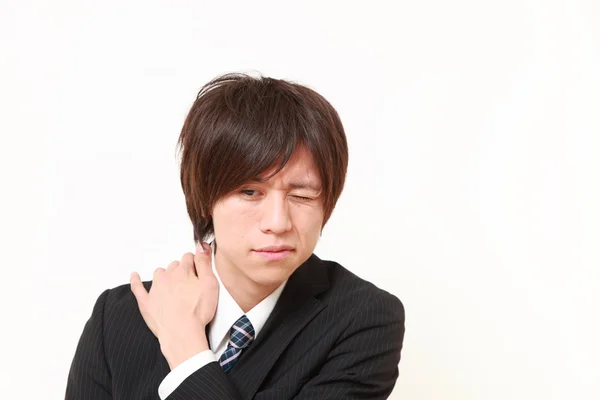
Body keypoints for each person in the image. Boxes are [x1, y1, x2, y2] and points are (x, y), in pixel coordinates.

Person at [65, 73, 405, 399]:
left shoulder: (363, 319)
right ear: (205, 199)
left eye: (301, 195)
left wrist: (187, 350)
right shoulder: (119, 317)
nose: (277, 222)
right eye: (249, 192)